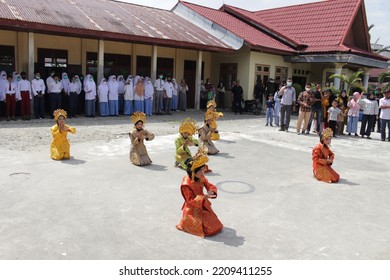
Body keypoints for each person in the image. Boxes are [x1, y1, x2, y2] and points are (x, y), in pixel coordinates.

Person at [176, 151, 223, 238]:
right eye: (200, 170)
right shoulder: (186, 184)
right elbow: (190, 201)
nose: (203, 172)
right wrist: (204, 197)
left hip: (202, 204)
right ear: (193, 172)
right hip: (192, 208)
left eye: (203, 169)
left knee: (217, 226)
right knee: (210, 230)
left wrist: (211, 190)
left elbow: (209, 185)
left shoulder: (200, 177)